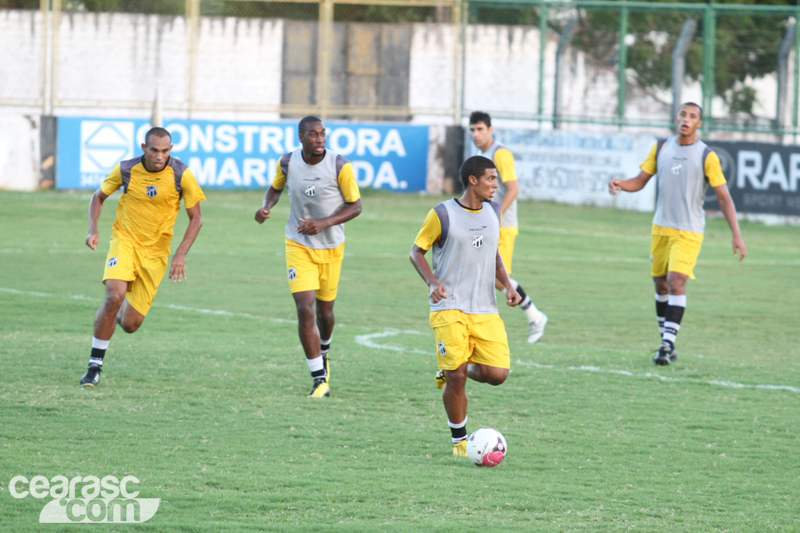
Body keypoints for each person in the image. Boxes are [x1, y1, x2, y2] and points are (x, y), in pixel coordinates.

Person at [608, 102, 746, 365]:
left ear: (699, 124)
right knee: (660, 283)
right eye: (683, 114)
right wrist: (620, 184)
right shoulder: (661, 147)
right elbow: (639, 181)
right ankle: (666, 342)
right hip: (661, 228)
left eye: (693, 116)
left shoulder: (707, 156)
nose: (686, 119)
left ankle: (666, 345)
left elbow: (724, 198)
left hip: (689, 231)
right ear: (676, 118)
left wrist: (736, 234)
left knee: (676, 281)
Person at [410, 155, 521, 457]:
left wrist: (508, 286)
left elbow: (493, 254)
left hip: (485, 308)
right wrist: (433, 283)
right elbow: (416, 252)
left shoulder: (494, 211)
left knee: (498, 374)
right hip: (449, 306)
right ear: (473, 180)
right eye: (490, 179)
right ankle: (460, 442)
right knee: (457, 377)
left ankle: (452, 367)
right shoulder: (442, 214)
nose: (496, 185)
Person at [81, 127, 205, 386]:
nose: (160, 156)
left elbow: (197, 218)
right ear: (143, 148)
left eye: (165, 151)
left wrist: (180, 254)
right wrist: (93, 229)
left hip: (156, 254)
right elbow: (98, 196)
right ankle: (94, 366)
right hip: (124, 242)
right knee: (114, 295)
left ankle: (110, 315)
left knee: (130, 324)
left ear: (171, 149)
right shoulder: (126, 169)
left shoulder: (182, 174)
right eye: (154, 150)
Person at [254, 116, 362, 398]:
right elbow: (276, 188)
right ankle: (318, 379)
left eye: (323, 134)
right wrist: (266, 207)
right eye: (313, 135)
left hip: (331, 247)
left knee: (325, 313)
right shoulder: (287, 162)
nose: (320, 139)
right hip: (297, 243)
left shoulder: (340, 165)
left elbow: (356, 206)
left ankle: (324, 351)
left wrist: (324, 222)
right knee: (305, 307)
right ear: (301, 137)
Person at [469, 111, 548, 343]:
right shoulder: (481, 155)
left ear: (490, 130)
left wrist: (494, 216)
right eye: (472, 130)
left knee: (492, 275)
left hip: (503, 226)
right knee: (486, 275)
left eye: (480, 129)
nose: (475, 134)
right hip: (489, 225)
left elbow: (513, 189)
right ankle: (533, 316)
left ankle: (534, 317)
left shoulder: (500, 154)